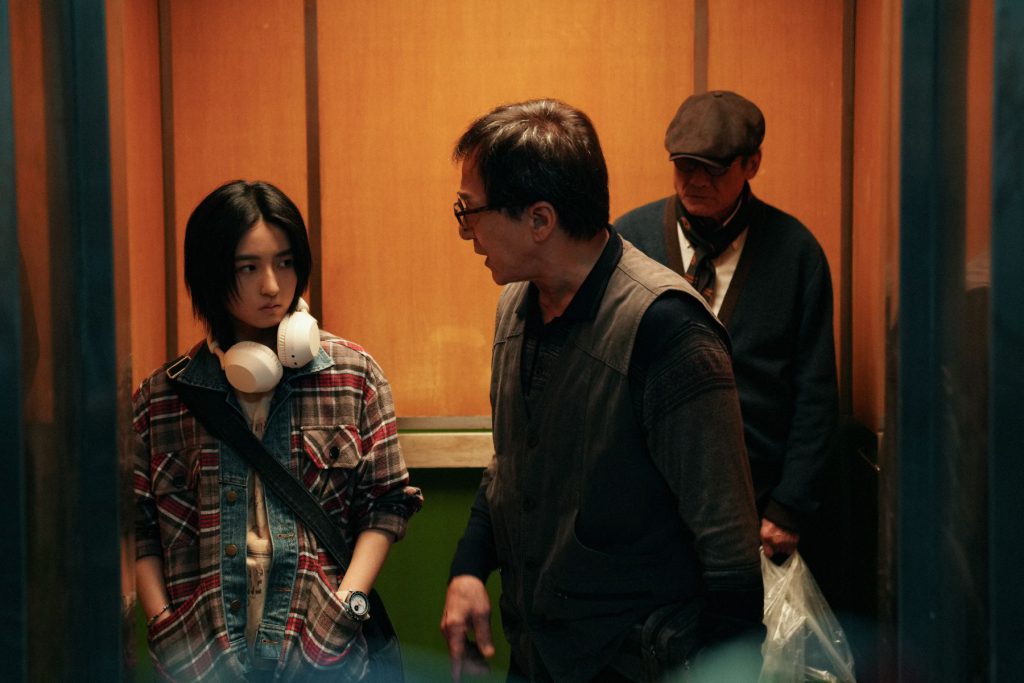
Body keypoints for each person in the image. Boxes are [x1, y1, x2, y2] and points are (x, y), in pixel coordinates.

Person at [440, 99, 763, 682]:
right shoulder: (515, 305)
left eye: (471, 211)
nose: (466, 231)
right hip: (538, 653)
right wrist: (468, 568)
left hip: (636, 662)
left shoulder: (668, 329)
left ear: (540, 220)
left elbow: (728, 543)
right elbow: (512, 466)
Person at [132, 180, 422, 681]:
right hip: (203, 663)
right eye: (248, 267)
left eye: (285, 262)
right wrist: (163, 625)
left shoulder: (353, 376)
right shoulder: (163, 397)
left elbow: (387, 503)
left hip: (324, 657)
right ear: (210, 273)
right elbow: (137, 526)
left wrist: (346, 605)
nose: (272, 285)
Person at [614, 91, 839, 560]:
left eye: (713, 169)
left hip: (757, 505)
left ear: (752, 164)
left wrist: (789, 506)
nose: (695, 181)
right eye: (684, 165)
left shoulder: (796, 253)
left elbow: (815, 392)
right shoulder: (629, 242)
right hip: (648, 504)